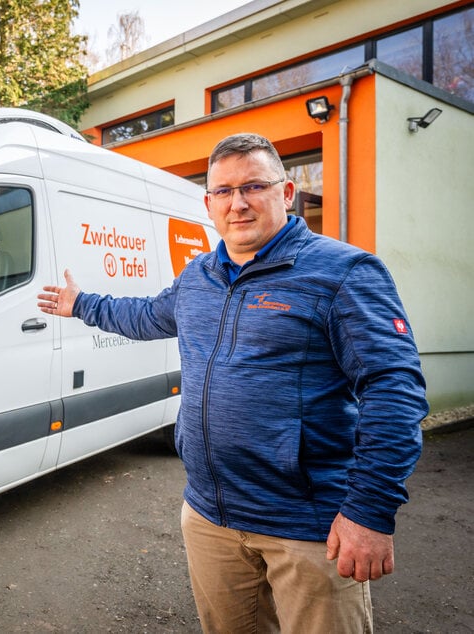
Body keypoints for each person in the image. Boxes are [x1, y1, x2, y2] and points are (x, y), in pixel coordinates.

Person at [37, 133, 427, 633]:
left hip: (308, 527)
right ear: (208, 204)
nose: (237, 203)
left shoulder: (344, 272)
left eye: (253, 186)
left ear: (286, 194)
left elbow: (394, 390)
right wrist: (82, 303)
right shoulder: (199, 274)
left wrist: (370, 511)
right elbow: (145, 316)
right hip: (210, 517)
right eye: (223, 191)